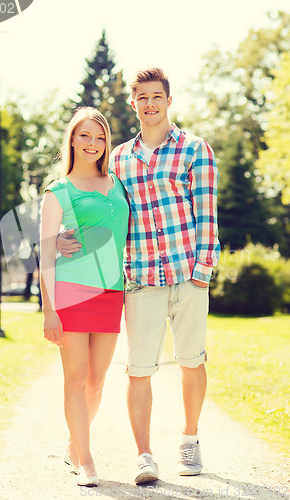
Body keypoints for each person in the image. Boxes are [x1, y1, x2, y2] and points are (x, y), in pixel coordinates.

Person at [57, 68, 220, 484]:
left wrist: (202, 272)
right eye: (142, 97)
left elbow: (207, 214)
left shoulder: (195, 150)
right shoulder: (120, 159)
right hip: (141, 278)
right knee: (138, 369)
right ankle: (144, 455)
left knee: (191, 360)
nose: (149, 103)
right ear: (133, 104)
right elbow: (93, 200)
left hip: (188, 275)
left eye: (156, 96)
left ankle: (190, 438)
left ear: (169, 100)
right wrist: (61, 234)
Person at [39, 107, 129, 487]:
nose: (93, 143)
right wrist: (49, 312)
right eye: (85, 136)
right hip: (72, 292)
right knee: (75, 379)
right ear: (72, 140)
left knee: (97, 381)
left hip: (112, 292)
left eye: (100, 137)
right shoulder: (58, 191)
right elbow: (45, 252)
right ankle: (86, 460)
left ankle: (74, 445)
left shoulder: (118, 183)